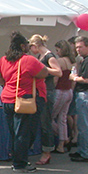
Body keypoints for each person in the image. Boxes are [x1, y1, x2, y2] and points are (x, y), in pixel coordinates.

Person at [0, 32, 49, 173]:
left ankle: (17, 157)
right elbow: (43, 73)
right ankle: (20, 163)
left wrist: (6, 84)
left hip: (7, 99)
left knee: (14, 132)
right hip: (24, 99)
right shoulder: (28, 60)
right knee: (24, 133)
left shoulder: (3, 60)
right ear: (22, 46)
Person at [28, 35, 62, 166]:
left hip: (48, 91)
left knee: (45, 122)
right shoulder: (41, 57)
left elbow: (58, 72)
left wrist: (43, 69)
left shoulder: (49, 56)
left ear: (35, 46)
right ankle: (45, 150)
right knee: (41, 121)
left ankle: (47, 151)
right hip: (41, 90)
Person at [69, 36, 88, 163]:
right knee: (83, 125)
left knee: (84, 126)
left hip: (86, 94)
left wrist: (74, 78)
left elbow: (87, 80)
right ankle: (82, 150)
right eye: (76, 47)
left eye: (80, 47)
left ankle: (86, 153)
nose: (78, 50)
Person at [52, 40, 75, 154]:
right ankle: (62, 142)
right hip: (69, 91)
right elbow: (74, 78)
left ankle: (63, 138)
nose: (57, 52)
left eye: (57, 50)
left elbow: (56, 78)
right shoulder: (72, 61)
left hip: (59, 91)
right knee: (62, 118)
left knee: (49, 118)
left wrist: (52, 88)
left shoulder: (59, 61)